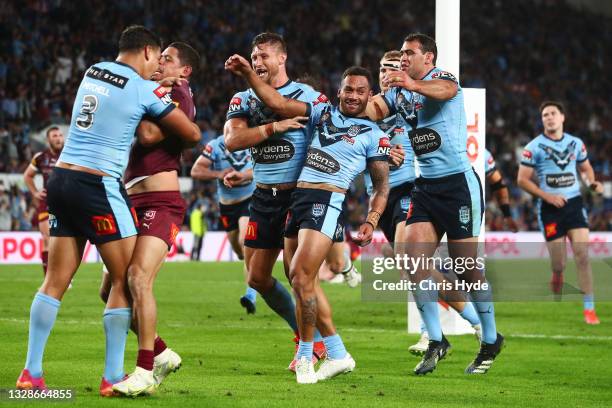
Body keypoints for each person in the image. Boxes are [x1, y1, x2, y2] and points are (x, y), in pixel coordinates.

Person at [15, 25, 199, 393]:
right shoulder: (143, 88)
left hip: (61, 181)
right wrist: (163, 97)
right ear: (147, 51)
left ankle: (31, 374)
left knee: (54, 281)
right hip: (97, 184)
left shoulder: (92, 71)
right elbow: (192, 135)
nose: (157, 66)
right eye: (157, 58)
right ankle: (113, 375)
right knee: (125, 278)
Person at [226, 56, 391, 383]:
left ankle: (306, 355)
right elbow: (276, 101)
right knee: (299, 280)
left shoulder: (374, 135)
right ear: (339, 91)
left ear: (370, 96)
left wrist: (372, 219)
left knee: (301, 276)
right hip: (298, 199)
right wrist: (248, 74)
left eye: (361, 91)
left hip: (328, 200)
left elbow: (382, 185)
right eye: (348, 90)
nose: (353, 96)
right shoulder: (323, 111)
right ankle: (337, 353)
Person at [366, 33, 503, 375]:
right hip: (425, 187)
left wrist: (410, 83)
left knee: (466, 269)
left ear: (428, 57)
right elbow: (373, 109)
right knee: (412, 260)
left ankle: (490, 338)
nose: (402, 59)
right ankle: (437, 340)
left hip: (459, 185)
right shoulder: (398, 91)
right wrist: (351, 101)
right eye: (400, 54)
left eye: (409, 53)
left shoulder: (442, 78)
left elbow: (446, 93)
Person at [98, 42, 200, 396]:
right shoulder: (159, 93)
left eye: (168, 59)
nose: (160, 63)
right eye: (160, 57)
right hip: (132, 199)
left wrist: (145, 97)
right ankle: (159, 352)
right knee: (109, 288)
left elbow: (148, 135)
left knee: (138, 278)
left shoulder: (180, 95)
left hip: (162, 200)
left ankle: (144, 369)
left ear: (184, 71)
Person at [223, 32, 328, 367]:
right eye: (254, 58)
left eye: (264, 56)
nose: (258, 62)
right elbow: (234, 141)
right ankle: (303, 334)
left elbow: (291, 111)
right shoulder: (242, 98)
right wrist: (272, 129)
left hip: (297, 196)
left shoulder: (307, 96)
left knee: (299, 276)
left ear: (282, 58)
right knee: (256, 278)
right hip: (262, 197)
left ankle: (320, 345)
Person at [517, 101, 603, 325]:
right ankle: (557, 273)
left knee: (583, 257)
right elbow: (521, 180)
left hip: (573, 204)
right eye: (545, 115)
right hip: (549, 209)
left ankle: (589, 309)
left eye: (553, 113)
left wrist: (592, 183)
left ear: (562, 117)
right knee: (559, 263)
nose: (549, 117)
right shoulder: (533, 147)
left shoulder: (576, 143)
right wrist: (548, 197)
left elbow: (585, 169)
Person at [191, 135, 258, 313]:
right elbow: (196, 170)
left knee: (246, 242)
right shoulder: (215, 146)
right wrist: (218, 174)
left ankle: (251, 294)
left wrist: (243, 175)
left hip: (250, 199)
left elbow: (263, 167)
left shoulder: (253, 140)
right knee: (239, 250)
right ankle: (249, 265)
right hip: (227, 205)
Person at [23, 126, 64, 276]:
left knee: (62, 240)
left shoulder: (70, 155)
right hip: (47, 202)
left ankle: (64, 274)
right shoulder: (41, 157)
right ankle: (49, 278)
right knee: (47, 238)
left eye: (60, 135)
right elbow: (27, 176)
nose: (59, 138)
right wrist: (35, 192)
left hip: (67, 203)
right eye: (54, 136)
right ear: (48, 140)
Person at [485, 148, 518, 232]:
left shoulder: (482, 153)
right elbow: (499, 186)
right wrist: (507, 215)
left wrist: (507, 215)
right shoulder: (483, 152)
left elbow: (499, 186)